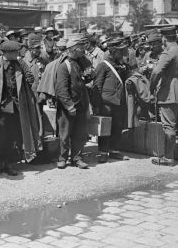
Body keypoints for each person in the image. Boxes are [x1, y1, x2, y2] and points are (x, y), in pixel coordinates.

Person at [0, 40, 41, 175]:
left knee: (14, 137)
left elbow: (30, 79)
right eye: (14, 52)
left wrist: (26, 73)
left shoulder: (20, 64)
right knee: (0, 137)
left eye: (17, 52)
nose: (17, 54)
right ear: (5, 53)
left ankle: (10, 164)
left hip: (16, 107)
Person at [150, 26, 178, 166]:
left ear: (164, 38)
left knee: (169, 126)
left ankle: (168, 158)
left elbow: (156, 72)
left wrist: (152, 87)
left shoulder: (168, 53)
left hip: (169, 92)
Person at [54, 34, 90, 170]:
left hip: (81, 105)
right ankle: (62, 158)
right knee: (65, 134)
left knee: (79, 134)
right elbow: (61, 89)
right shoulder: (64, 66)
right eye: (81, 47)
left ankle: (77, 158)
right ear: (74, 49)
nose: (83, 50)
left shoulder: (81, 63)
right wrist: (69, 106)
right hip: (68, 107)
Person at [93, 37, 130, 161]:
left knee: (117, 127)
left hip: (119, 101)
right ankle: (103, 152)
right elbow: (97, 85)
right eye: (120, 51)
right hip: (106, 103)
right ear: (113, 51)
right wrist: (97, 105)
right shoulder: (103, 65)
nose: (122, 54)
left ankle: (114, 151)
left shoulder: (122, 65)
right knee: (105, 128)